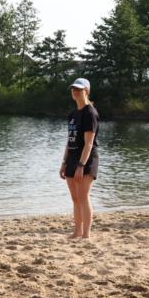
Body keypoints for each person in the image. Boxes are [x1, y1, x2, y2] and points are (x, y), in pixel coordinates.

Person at [59, 78, 99, 239]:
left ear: (86, 91)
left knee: (83, 196)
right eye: (73, 89)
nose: (75, 92)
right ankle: (77, 231)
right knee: (75, 198)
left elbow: (89, 143)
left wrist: (81, 165)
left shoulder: (90, 113)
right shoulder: (72, 115)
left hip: (86, 159)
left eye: (79, 89)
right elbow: (70, 141)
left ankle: (86, 234)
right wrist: (64, 162)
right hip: (72, 157)